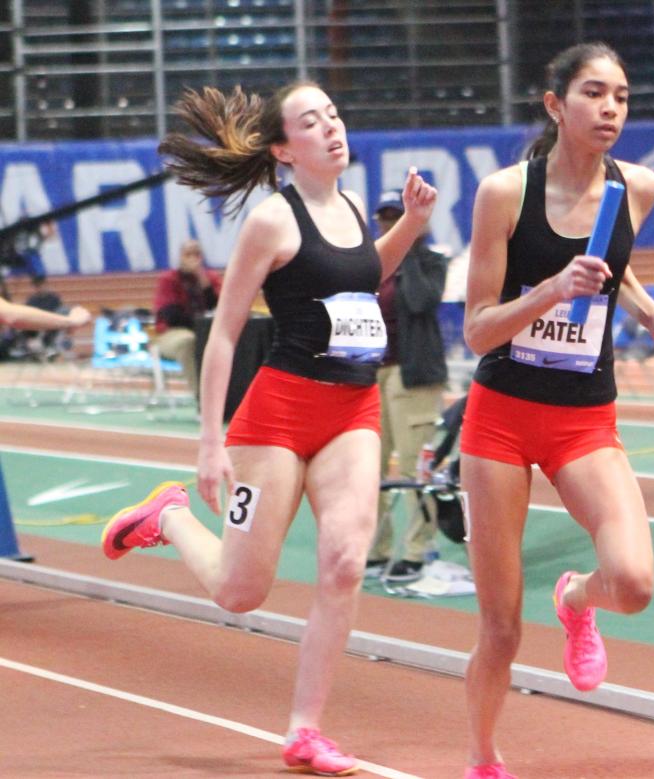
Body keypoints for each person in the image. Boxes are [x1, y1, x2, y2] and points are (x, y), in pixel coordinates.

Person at [100, 81, 436, 776]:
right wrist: (209, 441)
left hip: (353, 410)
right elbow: (222, 336)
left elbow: (368, 271)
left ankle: (305, 730)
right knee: (240, 592)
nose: (333, 129)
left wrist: (410, 221)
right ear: (284, 150)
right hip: (278, 415)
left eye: (336, 115)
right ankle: (166, 518)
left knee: (345, 563)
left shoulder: (348, 207)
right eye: (312, 123)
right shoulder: (271, 223)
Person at [458, 43, 654, 779]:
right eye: (594, 94)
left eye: (622, 97)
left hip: (583, 417)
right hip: (502, 413)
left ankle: (575, 597)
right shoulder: (503, 193)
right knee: (501, 629)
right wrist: (549, 290)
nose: (610, 109)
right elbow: (477, 328)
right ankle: (483, 759)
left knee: (632, 581)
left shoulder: (638, 185)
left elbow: (616, 262)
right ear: (555, 105)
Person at [366, 190, 449, 583]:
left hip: (413, 374)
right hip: (371, 375)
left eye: (396, 217)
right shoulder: (369, 263)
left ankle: (417, 549)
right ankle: (376, 547)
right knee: (370, 468)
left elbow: (419, 302)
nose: (389, 223)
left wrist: (410, 246)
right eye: (384, 218)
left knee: (418, 465)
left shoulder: (431, 261)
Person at [153, 238, 222, 397]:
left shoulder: (210, 279)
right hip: (172, 334)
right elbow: (171, 316)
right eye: (188, 254)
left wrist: (203, 282)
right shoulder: (169, 280)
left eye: (196, 254)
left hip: (206, 332)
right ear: (180, 256)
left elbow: (218, 306)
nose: (192, 258)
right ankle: (202, 398)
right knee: (188, 342)